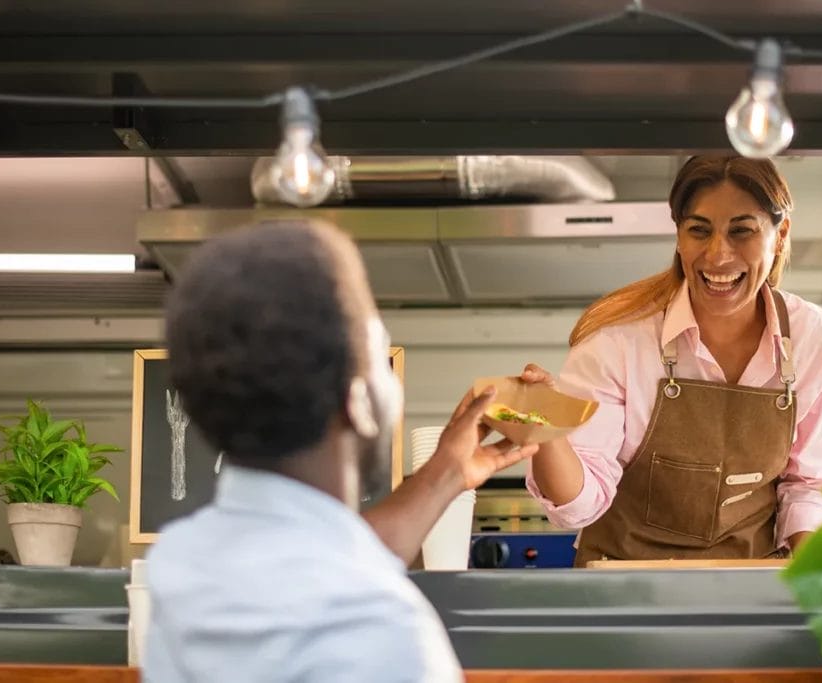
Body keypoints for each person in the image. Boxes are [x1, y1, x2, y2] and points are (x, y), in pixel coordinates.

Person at [142, 220, 538, 683]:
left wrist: (445, 475)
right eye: (382, 354)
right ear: (359, 401)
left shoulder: (181, 565)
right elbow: (335, 576)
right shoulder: (384, 629)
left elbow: (318, 556)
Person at [521, 155, 822, 566]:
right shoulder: (617, 341)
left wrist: (817, 559)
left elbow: (809, 483)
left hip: (750, 586)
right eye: (699, 231)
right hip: (623, 589)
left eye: (742, 231)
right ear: (678, 235)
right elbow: (578, 506)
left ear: (780, 234)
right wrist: (546, 435)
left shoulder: (816, 338)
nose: (717, 255)